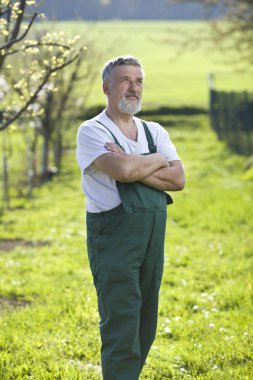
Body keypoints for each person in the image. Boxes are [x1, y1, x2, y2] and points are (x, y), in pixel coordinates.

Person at [76, 55, 185, 380]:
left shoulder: (153, 131)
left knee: (145, 324)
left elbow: (178, 180)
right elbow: (122, 171)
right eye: (125, 80)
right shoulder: (92, 130)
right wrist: (152, 163)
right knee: (122, 324)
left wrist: (134, 160)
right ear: (106, 87)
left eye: (138, 81)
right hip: (115, 241)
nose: (133, 87)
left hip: (151, 240)